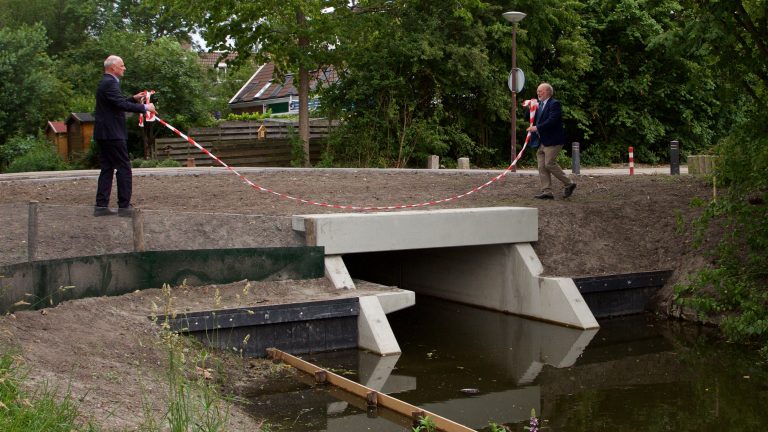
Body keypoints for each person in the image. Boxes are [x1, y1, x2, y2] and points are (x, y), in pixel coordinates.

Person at [93, 55, 156, 217]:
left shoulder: (106, 83)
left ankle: (101, 205)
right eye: (122, 65)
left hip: (104, 133)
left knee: (107, 168)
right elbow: (120, 105)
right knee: (124, 168)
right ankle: (124, 207)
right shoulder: (110, 83)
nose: (124, 68)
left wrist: (133, 100)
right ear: (113, 67)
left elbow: (116, 104)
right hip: (112, 133)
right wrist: (145, 107)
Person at [527, 83, 576, 200]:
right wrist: (530, 109)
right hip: (542, 141)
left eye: (541, 91)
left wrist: (537, 128)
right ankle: (547, 191)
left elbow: (552, 120)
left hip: (554, 140)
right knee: (541, 166)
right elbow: (529, 118)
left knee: (549, 163)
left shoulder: (554, 104)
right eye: (538, 91)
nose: (538, 93)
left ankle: (569, 183)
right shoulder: (538, 105)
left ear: (548, 92)